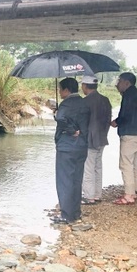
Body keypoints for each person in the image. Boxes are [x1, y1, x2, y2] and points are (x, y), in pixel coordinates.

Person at [52, 77, 91, 224]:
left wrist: (71, 130)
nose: (59, 92)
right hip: (81, 146)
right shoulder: (83, 102)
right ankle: (75, 212)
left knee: (64, 180)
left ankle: (66, 214)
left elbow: (61, 119)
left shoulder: (66, 104)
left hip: (67, 147)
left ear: (66, 90)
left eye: (60, 89)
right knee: (76, 179)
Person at [111, 72, 137, 205]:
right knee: (134, 162)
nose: (117, 84)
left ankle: (129, 195)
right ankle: (134, 189)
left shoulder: (129, 96)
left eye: (119, 81)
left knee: (125, 164)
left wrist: (116, 122)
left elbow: (126, 114)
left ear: (126, 82)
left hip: (130, 133)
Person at [80, 75, 112, 204]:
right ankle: (97, 194)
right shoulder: (105, 100)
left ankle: (89, 196)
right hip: (102, 138)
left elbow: (82, 121)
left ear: (85, 86)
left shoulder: (85, 101)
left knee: (88, 168)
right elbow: (108, 120)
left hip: (90, 139)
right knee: (98, 167)